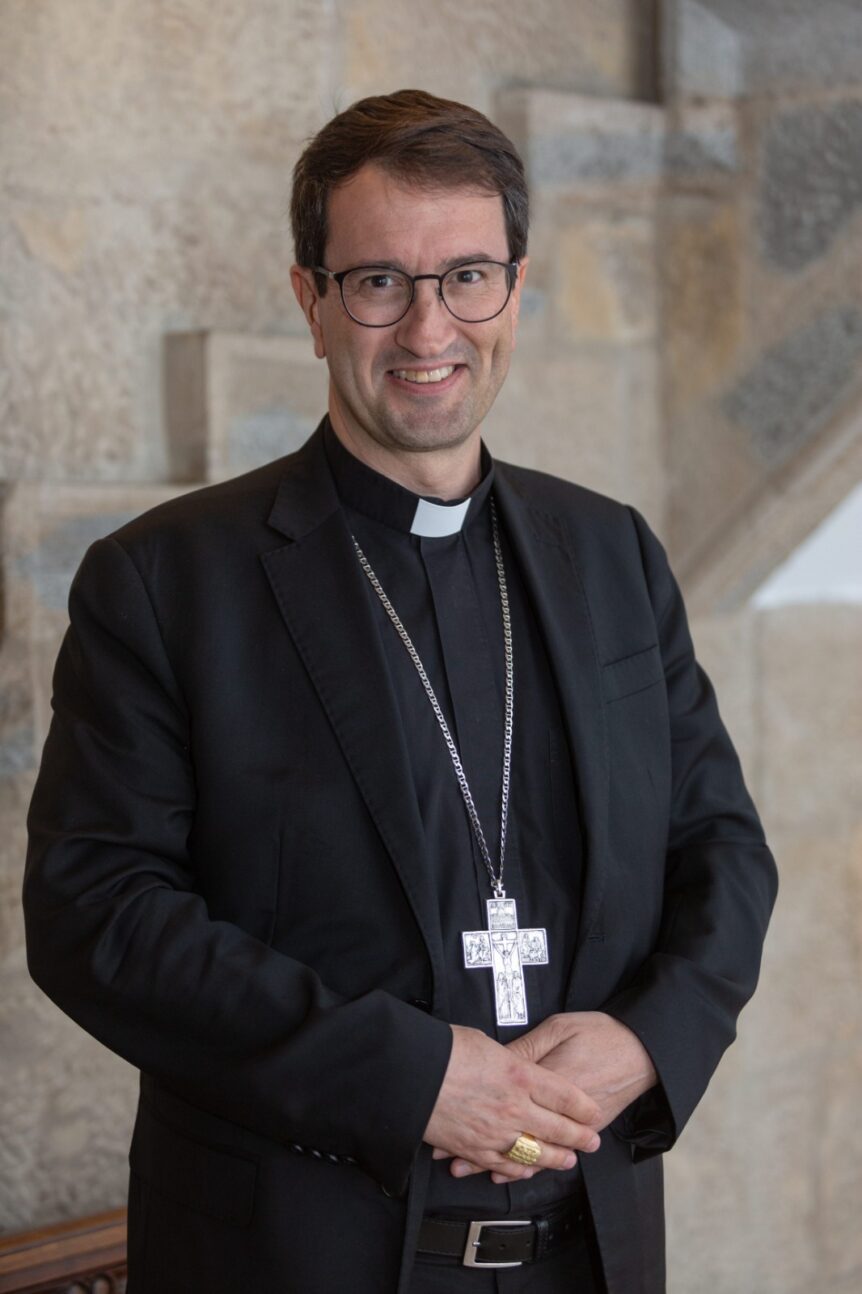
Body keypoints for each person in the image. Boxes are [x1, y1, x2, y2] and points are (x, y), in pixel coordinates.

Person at [23, 89, 778, 1294]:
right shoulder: (167, 582)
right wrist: (408, 1076)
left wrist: (649, 1039)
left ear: (515, 290)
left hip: (589, 1252)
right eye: (379, 281)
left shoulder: (611, 555)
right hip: (297, 1257)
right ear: (311, 300)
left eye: (467, 276)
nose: (430, 327)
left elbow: (723, 849)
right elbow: (96, 915)